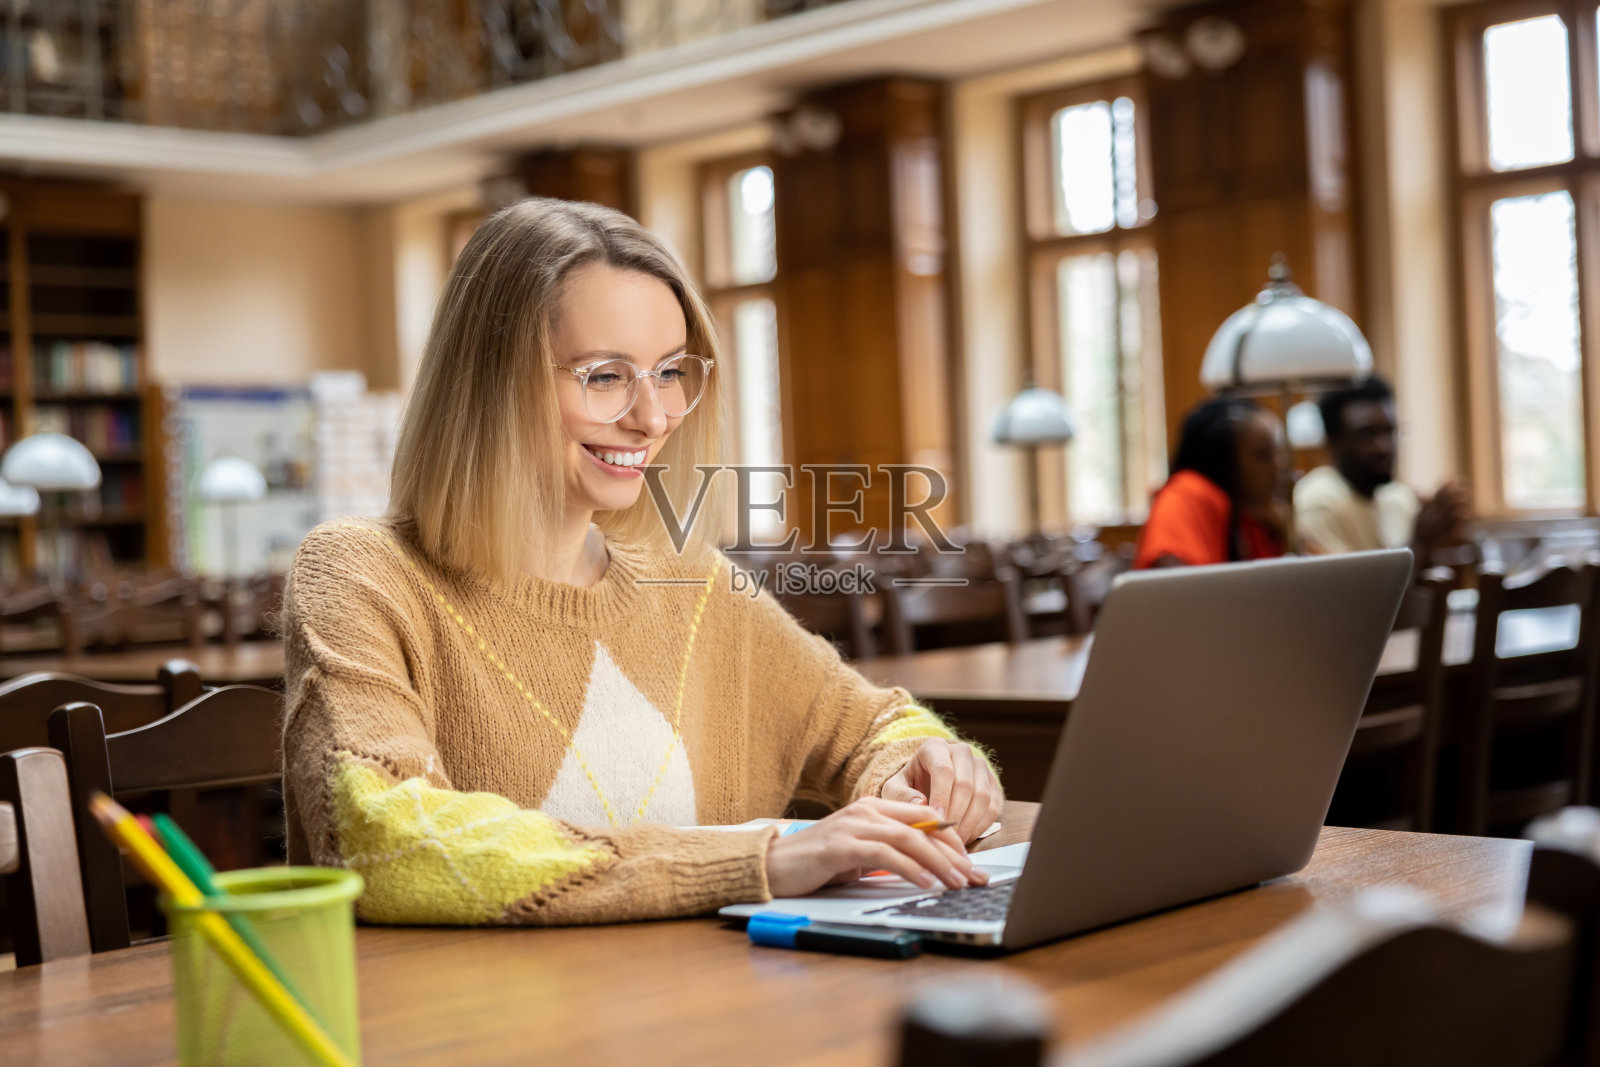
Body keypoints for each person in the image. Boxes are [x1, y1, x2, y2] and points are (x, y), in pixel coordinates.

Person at [280, 199, 1003, 927]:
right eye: (603, 376)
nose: (653, 417)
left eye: (668, 372)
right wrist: (755, 861)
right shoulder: (359, 571)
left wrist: (927, 771)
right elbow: (381, 838)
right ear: (491, 380)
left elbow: (872, 725)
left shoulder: (690, 580)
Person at [1294, 377, 1468, 559]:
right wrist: (1419, 544)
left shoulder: (1398, 498)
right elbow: (1350, 585)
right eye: (1367, 434)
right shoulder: (1319, 501)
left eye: (1389, 431)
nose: (1383, 447)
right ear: (1332, 441)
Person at [1134, 397, 1289, 569]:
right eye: (1262, 455)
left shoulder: (1254, 513)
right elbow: (1173, 578)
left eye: (1277, 452)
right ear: (1223, 460)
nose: (1279, 466)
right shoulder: (1187, 492)